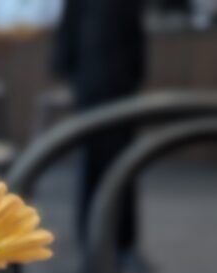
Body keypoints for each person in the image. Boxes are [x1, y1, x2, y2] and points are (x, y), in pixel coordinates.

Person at [57, 0, 146, 257]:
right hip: (90, 86)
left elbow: (135, 37)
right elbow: (68, 32)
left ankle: (124, 242)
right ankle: (90, 238)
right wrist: (68, 75)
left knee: (123, 164)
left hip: (120, 88)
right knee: (91, 164)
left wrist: (135, 78)